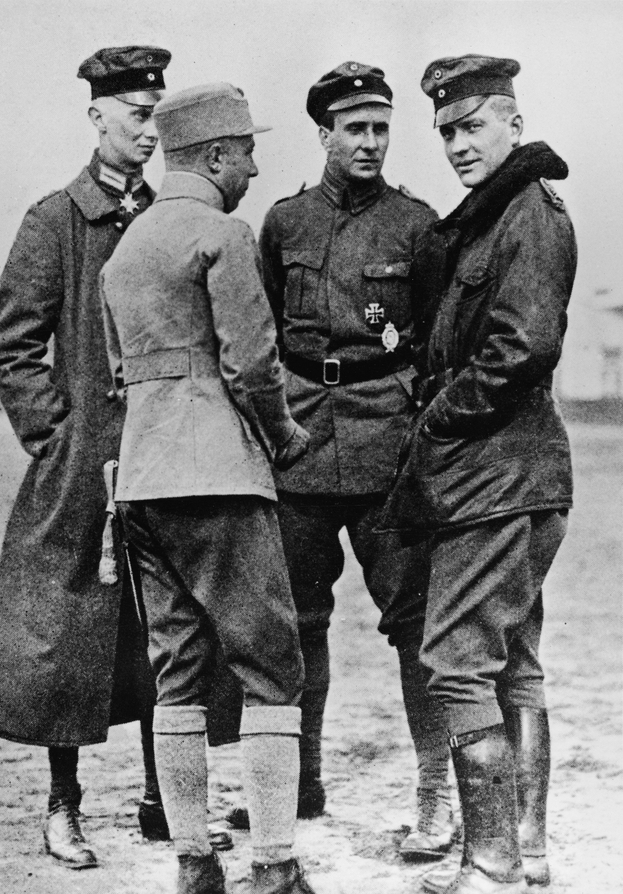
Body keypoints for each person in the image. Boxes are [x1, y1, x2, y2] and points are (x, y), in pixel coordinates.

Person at [227, 61, 454, 861]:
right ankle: (297, 786)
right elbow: (257, 339)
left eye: (380, 128)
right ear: (323, 134)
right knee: (294, 624)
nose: (369, 142)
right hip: (297, 444)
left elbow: (437, 341)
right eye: (354, 129)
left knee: (417, 624)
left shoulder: (419, 225)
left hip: (389, 445)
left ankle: (436, 795)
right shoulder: (283, 223)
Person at [0, 45, 197, 869]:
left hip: (169, 453)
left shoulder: (171, 215)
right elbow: (12, 343)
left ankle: (162, 799)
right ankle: (62, 804)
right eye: (137, 115)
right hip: (83, 470)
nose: (150, 131)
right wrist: (56, 433)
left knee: (170, 624)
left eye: (157, 115)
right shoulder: (54, 221)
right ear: (97, 116)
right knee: (63, 631)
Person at [101, 82, 317, 894]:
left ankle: (195, 861)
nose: (256, 169)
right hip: (220, 475)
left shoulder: (126, 250)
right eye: (248, 152)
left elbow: (121, 371)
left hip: (146, 480)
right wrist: (286, 434)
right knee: (272, 668)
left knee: (176, 670)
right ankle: (274, 866)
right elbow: (252, 364)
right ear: (217, 156)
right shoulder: (222, 233)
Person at [380, 55, 577, 893]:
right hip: (518, 477)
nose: (458, 144)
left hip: (494, 482)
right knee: (513, 661)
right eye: (448, 132)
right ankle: (526, 852)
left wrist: (435, 419)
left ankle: (491, 860)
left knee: (457, 664)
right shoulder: (491, 218)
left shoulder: (527, 214)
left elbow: (522, 349)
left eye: (472, 126)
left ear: (513, 123)